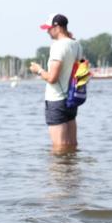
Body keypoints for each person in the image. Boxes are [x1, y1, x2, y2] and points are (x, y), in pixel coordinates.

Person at [30, 14, 82, 153]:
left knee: (59, 148)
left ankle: (59, 174)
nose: (47, 31)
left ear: (57, 27)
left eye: (49, 28)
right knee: (71, 144)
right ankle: (72, 173)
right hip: (72, 99)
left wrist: (39, 70)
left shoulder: (58, 47)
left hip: (57, 100)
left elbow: (52, 78)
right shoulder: (76, 45)